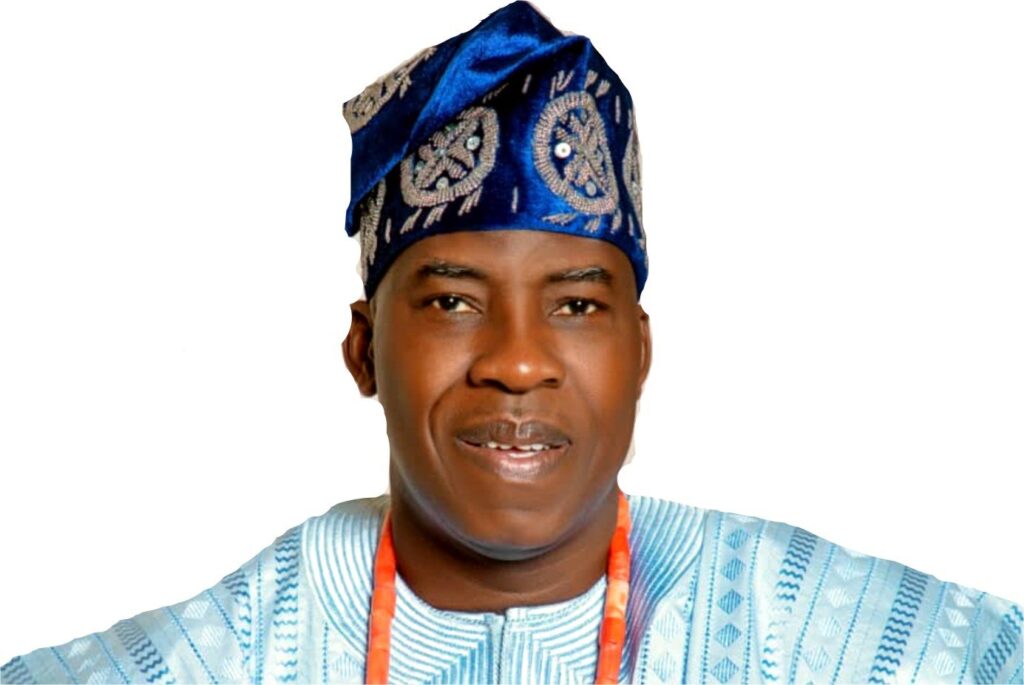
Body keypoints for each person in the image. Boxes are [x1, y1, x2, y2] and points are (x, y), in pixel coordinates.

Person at [2, 2, 1021, 683]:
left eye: (575, 306)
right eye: (452, 301)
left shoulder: (849, 644)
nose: (519, 360)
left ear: (641, 353)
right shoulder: (219, 656)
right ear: (363, 352)